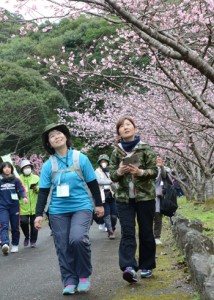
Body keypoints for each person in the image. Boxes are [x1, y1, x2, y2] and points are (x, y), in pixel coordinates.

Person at [34, 123, 104, 295]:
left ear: (66, 136)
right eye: (52, 136)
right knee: (62, 245)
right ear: (49, 143)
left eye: (59, 133)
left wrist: (99, 204)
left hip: (81, 206)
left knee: (78, 239)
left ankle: (83, 276)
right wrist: (38, 215)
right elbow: (43, 192)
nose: (56, 137)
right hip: (57, 210)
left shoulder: (80, 158)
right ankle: (69, 280)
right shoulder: (48, 165)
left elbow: (93, 183)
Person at [109, 116, 158, 284]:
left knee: (145, 231)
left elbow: (154, 171)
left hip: (145, 197)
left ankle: (147, 265)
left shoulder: (146, 149)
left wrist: (141, 173)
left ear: (135, 129)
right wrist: (121, 172)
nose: (125, 127)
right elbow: (112, 175)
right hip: (123, 199)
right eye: (121, 126)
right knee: (128, 232)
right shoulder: (116, 152)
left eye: (128, 125)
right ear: (119, 132)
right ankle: (128, 267)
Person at [0, 161, 28, 255]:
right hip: (2, 207)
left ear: (11, 168)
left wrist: (24, 197)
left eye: (9, 167)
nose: (7, 169)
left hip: (14, 206)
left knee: (15, 226)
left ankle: (15, 244)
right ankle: (5, 244)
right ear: (2, 169)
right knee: (4, 225)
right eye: (5, 167)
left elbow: (21, 189)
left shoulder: (16, 180)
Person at [95, 154, 117, 239]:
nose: (103, 163)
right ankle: (110, 231)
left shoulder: (111, 171)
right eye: (102, 161)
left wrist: (111, 182)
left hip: (112, 194)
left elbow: (115, 180)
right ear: (99, 163)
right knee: (107, 214)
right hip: (103, 194)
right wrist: (109, 181)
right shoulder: (96, 171)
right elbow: (98, 181)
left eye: (105, 161)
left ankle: (112, 227)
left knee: (114, 215)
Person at [19, 159, 39, 248]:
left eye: (28, 167)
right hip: (23, 206)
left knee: (34, 224)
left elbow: (42, 189)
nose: (27, 169)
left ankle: (33, 240)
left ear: (31, 168)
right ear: (22, 169)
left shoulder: (36, 178)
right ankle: (27, 236)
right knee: (23, 222)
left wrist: (36, 188)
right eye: (25, 168)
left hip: (35, 205)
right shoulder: (18, 179)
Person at [154, 156, 170, 245]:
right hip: (145, 196)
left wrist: (161, 166)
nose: (157, 160)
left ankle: (157, 236)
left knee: (158, 216)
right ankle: (148, 236)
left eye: (159, 159)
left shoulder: (161, 169)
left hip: (157, 195)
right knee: (146, 218)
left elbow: (164, 176)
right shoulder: (146, 169)